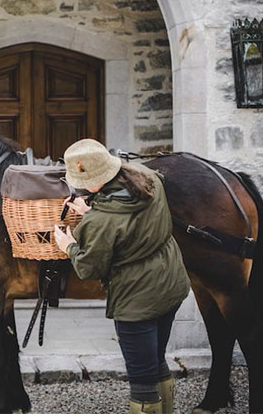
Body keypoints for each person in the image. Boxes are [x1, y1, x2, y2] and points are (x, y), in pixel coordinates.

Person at [53, 139, 190, 414]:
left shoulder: (101, 221)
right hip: (171, 282)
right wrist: (93, 211)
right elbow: (132, 222)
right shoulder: (149, 178)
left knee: (142, 380)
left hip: (137, 299)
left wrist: (67, 244)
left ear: (90, 181)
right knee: (156, 360)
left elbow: (89, 268)